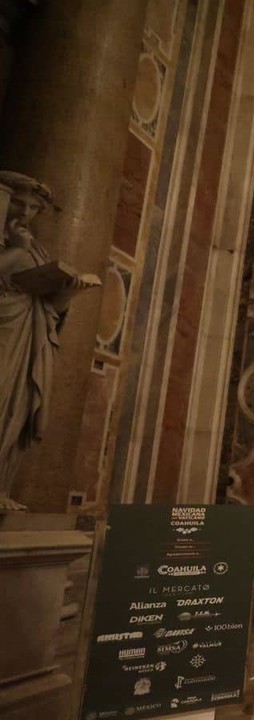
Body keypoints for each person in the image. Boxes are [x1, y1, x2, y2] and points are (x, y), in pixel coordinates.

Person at [0, 173, 89, 511]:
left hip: (26, 338)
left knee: (15, 405)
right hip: (4, 334)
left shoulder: (34, 248)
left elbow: (47, 310)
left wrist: (65, 296)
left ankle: (3, 486)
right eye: (19, 202)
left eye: (34, 207)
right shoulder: (18, 246)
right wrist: (15, 252)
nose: (25, 212)